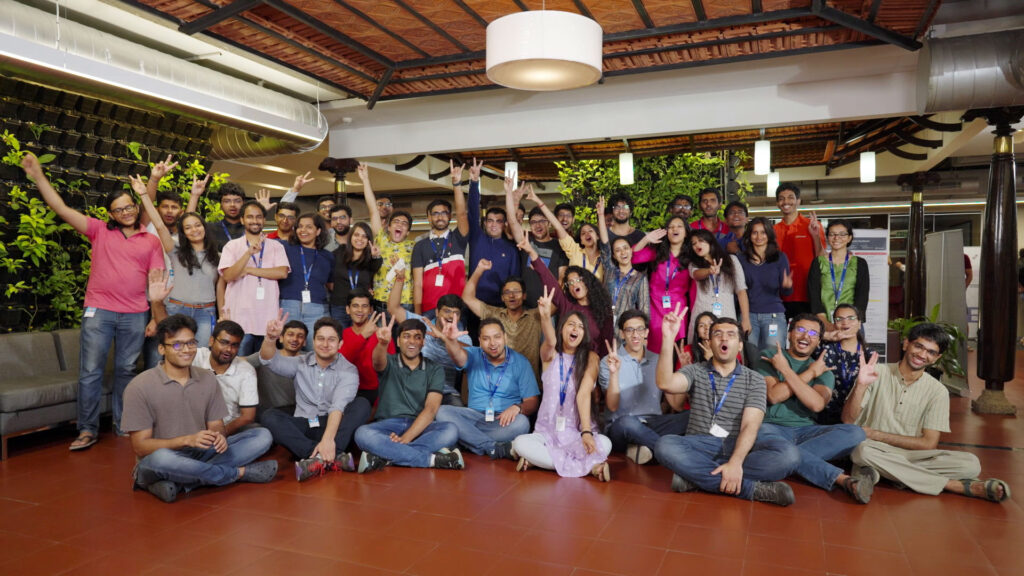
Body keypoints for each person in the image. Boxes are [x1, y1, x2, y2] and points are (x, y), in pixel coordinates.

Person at [22, 155, 165, 450]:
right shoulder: (99, 231)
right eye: (118, 209)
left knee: (127, 370)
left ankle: (123, 424)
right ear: (110, 214)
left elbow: (155, 283)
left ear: (136, 207)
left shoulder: (150, 241)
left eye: (129, 206)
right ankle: (87, 429)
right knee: (90, 371)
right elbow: (61, 208)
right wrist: (38, 176)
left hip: (135, 313)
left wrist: (154, 316)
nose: (125, 212)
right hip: (99, 311)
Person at [845, 325, 1011, 502]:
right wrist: (860, 385)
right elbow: (847, 420)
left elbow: (928, 444)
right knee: (861, 451)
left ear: (936, 358)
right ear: (906, 344)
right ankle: (954, 485)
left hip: (912, 455)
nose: (922, 355)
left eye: (931, 352)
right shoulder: (876, 372)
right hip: (874, 448)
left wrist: (876, 434)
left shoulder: (938, 391)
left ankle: (881, 473)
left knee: (971, 464)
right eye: (919, 346)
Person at [122, 314, 277, 503]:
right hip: (161, 458)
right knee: (162, 459)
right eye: (177, 345)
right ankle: (236, 474)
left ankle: (183, 483)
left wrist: (218, 437)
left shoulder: (207, 378)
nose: (186, 350)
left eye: (191, 343)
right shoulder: (140, 386)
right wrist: (187, 440)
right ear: (162, 348)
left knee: (262, 436)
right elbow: (141, 447)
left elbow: (216, 426)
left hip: (200, 452)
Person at [654, 309, 801, 506]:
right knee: (665, 445)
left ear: (740, 345)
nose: (724, 338)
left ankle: (695, 478)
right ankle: (751, 489)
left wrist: (735, 462)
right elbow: (665, 383)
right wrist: (667, 338)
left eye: (731, 334)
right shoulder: (695, 371)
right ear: (709, 342)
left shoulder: (755, 379)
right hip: (699, 445)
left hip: (738, 445)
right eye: (718, 334)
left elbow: (750, 425)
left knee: (789, 455)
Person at [757, 315, 870, 503]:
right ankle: (843, 480)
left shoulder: (823, 369)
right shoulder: (772, 356)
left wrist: (786, 372)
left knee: (855, 433)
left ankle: (785, 459)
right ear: (790, 333)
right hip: (770, 427)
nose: (805, 336)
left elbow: (817, 404)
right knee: (762, 435)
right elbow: (774, 395)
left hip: (807, 431)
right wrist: (809, 373)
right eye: (800, 330)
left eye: (813, 333)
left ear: (818, 341)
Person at [512, 288, 612, 481]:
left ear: (584, 334)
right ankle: (591, 467)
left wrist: (586, 432)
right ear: (561, 329)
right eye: (570, 324)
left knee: (605, 443)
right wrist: (545, 317)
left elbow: (584, 394)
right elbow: (550, 341)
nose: (575, 329)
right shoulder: (550, 356)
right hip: (546, 434)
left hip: (577, 432)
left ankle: (538, 461)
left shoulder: (591, 358)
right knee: (520, 442)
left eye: (580, 327)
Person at [258, 311, 371, 482]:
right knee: (269, 416)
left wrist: (328, 440)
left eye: (331, 340)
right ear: (314, 341)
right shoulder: (301, 362)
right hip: (305, 425)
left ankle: (318, 459)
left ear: (340, 344)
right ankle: (327, 456)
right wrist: (270, 338)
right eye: (320, 339)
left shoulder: (348, 370)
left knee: (362, 404)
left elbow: (337, 407)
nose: (325, 344)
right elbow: (269, 360)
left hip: (333, 426)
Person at [148, 277, 259, 437]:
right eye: (224, 342)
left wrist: (217, 436)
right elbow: (171, 335)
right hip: (189, 430)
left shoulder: (246, 370)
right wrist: (157, 302)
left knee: (261, 435)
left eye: (235, 345)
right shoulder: (195, 355)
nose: (229, 349)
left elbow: (247, 417)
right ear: (211, 341)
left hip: (227, 431)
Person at [354, 316, 465, 473]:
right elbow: (377, 362)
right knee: (362, 434)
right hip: (388, 426)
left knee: (451, 430)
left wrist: (407, 438)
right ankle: (432, 460)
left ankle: (387, 456)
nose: (412, 341)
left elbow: (431, 409)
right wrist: (383, 344)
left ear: (423, 342)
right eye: (406, 336)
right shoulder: (389, 361)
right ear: (398, 341)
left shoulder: (435, 369)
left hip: (421, 427)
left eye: (417, 337)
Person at [131, 176, 220, 347]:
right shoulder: (175, 249)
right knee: (174, 353)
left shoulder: (218, 256)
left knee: (200, 356)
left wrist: (195, 195)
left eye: (198, 225)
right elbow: (159, 225)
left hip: (206, 312)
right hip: (177, 310)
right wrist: (143, 194)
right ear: (183, 233)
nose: (194, 230)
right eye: (188, 228)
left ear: (204, 227)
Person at [434, 317, 540, 459]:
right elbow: (458, 357)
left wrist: (517, 407)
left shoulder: (521, 362)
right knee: (442, 411)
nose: (492, 343)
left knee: (522, 423)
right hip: (473, 417)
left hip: (503, 421)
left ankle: (467, 439)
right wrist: (451, 341)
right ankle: (492, 447)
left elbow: (532, 401)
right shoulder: (473, 354)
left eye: (497, 337)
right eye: (486, 339)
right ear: (479, 341)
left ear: (505, 337)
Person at [599, 310, 689, 465]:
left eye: (640, 329)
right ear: (622, 334)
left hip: (653, 424)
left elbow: (677, 405)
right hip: (621, 426)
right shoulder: (609, 360)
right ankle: (673, 452)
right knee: (627, 423)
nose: (635, 335)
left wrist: (684, 371)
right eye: (630, 330)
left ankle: (643, 448)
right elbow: (612, 406)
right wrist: (614, 373)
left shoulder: (657, 360)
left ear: (646, 332)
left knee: (692, 416)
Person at [518, 232, 615, 357]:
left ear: (588, 281)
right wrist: (531, 252)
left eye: (578, 280)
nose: (574, 284)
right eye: (570, 283)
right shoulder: (566, 305)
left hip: (592, 363)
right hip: (564, 361)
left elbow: (606, 345)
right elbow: (548, 278)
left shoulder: (603, 311)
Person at [389, 272, 473, 406]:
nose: (451, 316)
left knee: (456, 414)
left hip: (445, 393)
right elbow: (393, 308)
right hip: (415, 389)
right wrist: (399, 279)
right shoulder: (421, 323)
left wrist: (446, 339)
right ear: (437, 312)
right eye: (447, 311)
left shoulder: (463, 336)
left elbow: (471, 357)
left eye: (456, 313)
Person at [218, 201, 289, 356]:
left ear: (264, 220)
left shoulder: (276, 246)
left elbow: (282, 272)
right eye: (250, 217)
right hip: (239, 318)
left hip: (267, 320)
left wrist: (249, 270)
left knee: (265, 365)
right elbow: (228, 276)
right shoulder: (232, 246)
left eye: (258, 217)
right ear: (242, 220)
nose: (255, 221)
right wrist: (248, 254)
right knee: (238, 364)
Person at [463, 262, 542, 381]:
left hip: (527, 382)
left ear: (524, 295)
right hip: (499, 383)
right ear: (502, 297)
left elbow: (558, 302)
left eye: (516, 291)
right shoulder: (494, 314)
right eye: (507, 292)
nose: (512, 296)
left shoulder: (536, 316)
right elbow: (467, 298)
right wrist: (479, 269)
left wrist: (540, 270)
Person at [411, 171, 469, 313]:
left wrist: (457, 184)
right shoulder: (420, 246)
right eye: (435, 213)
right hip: (429, 308)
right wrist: (418, 315)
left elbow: (462, 214)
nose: (440, 217)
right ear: (429, 217)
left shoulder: (458, 238)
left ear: (450, 216)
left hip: (456, 309)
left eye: (444, 213)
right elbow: (417, 284)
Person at [465, 159, 520, 307]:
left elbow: (514, 280)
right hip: (474, 302)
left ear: (505, 224)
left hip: (500, 306)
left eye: (498, 221)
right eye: (490, 220)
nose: (493, 224)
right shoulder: (477, 238)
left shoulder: (511, 249)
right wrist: (474, 182)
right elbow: (472, 211)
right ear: (484, 223)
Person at [631, 215, 690, 354]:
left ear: (686, 232)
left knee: (676, 350)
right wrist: (646, 239)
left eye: (679, 226)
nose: (674, 229)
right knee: (654, 350)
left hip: (679, 309)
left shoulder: (691, 256)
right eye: (671, 227)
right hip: (654, 306)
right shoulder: (657, 252)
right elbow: (633, 257)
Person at [361, 164, 415, 312]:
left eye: (404, 224)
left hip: (405, 304)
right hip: (381, 303)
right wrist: (365, 179)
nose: (400, 225)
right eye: (396, 222)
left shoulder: (414, 247)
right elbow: (373, 211)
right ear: (389, 227)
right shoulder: (381, 239)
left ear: (407, 232)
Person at [279, 213, 334, 347]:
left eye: (309, 227)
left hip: (316, 309)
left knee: (315, 350)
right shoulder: (284, 248)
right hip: (288, 307)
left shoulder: (328, 256)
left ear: (318, 231)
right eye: (300, 226)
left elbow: (331, 284)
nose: (303, 230)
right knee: (288, 350)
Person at [738, 217, 792, 352]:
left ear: (769, 234)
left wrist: (787, 286)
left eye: (763, 232)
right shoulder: (741, 259)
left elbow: (786, 293)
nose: (759, 237)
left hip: (774, 316)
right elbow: (738, 290)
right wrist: (744, 318)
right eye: (755, 232)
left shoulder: (780, 257)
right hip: (748, 315)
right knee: (750, 357)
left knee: (773, 356)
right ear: (749, 235)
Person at [525, 187, 603, 282]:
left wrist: (601, 215)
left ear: (598, 236)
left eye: (590, 231)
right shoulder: (575, 251)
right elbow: (558, 227)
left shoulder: (604, 257)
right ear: (581, 240)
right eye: (583, 233)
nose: (587, 234)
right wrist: (538, 201)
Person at [688, 228, 750, 343]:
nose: (697, 245)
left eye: (700, 241)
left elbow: (741, 291)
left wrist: (745, 319)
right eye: (693, 243)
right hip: (702, 316)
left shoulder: (731, 260)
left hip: (726, 314)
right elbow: (696, 274)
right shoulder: (694, 264)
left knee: (727, 347)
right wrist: (709, 271)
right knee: (700, 349)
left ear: (710, 241)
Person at [774, 183, 825, 321]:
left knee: (806, 331)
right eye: (781, 198)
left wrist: (815, 235)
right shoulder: (773, 230)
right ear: (778, 203)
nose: (786, 202)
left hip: (806, 292)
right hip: (780, 294)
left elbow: (821, 258)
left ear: (798, 201)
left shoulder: (812, 225)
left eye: (790, 197)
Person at [597, 197, 650, 329]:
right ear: (614, 255)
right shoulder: (610, 270)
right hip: (604, 323)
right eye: (618, 250)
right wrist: (601, 215)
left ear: (631, 251)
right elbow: (604, 244)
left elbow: (644, 308)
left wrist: (643, 333)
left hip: (627, 327)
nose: (623, 253)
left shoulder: (640, 278)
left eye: (625, 248)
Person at [809, 219, 869, 332]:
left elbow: (862, 298)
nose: (837, 238)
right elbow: (814, 296)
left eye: (842, 234)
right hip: (824, 324)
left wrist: (850, 323)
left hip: (851, 324)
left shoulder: (860, 263)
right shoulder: (818, 263)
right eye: (832, 234)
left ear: (849, 238)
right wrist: (826, 324)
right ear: (827, 237)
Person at [817, 303, 864, 425]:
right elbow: (799, 337)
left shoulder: (869, 355)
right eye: (839, 319)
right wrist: (826, 335)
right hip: (822, 417)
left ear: (859, 323)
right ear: (834, 324)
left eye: (851, 318)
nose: (845, 322)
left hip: (855, 419)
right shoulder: (824, 349)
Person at [249, 319, 306, 418]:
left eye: (300, 336)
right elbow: (239, 362)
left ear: (305, 342)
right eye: (290, 334)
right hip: (271, 414)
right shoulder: (267, 355)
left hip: (301, 413)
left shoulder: (311, 359)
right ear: (281, 338)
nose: (295, 339)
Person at [329, 221, 381, 329]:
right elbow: (329, 277)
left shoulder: (372, 259)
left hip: (362, 308)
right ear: (350, 237)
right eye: (356, 235)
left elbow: (375, 273)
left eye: (364, 236)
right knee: (340, 337)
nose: (360, 239)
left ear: (369, 240)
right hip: (339, 306)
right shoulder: (339, 253)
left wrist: (375, 256)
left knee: (363, 337)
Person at [336, 289, 384, 405]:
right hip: (344, 390)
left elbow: (387, 372)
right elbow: (340, 363)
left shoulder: (382, 335)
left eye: (364, 306)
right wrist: (363, 336)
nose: (360, 310)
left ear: (370, 310)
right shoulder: (341, 335)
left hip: (374, 393)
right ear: (348, 309)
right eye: (355, 306)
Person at [207, 182, 246, 250]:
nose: (232, 205)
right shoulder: (210, 229)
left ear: (243, 204)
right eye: (227, 201)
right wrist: (194, 196)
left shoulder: (250, 228)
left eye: (237, 201)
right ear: (221, 205)